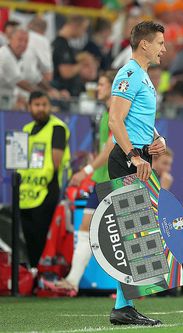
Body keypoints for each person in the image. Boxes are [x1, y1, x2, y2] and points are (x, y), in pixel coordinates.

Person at [107, 21, 167, 326]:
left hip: (142, 155)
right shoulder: (129, 73)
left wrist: (158, 138)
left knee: (139, 233)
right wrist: (133, 155)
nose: (163, 49)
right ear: (144, 44)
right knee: (133, 233)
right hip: (129, 158)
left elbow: (136, 118)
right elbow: (115, 120)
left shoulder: (143, 77)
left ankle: (124, 305)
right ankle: (122, 307)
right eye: (159, 43)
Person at [43, 70, 117, 296]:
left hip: (115, 180)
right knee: (86, 229)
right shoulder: (106, 111)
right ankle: (72, 281)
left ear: (113, 86)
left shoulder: (117, 110)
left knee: (121, 234)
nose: (98, 88)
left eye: (103, 84)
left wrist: (86, 170)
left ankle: (135, 286)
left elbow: (111, 147)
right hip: (101, 180)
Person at [19, 91, 71, 269]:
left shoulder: (57, 127)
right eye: (36, 105)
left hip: (48, 189)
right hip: (25, 193)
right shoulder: (26, 130)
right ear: (29, 107)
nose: (41, 108)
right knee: (29, 237)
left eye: (44, 104)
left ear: (50, 106)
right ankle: (33, 274)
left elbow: (56, 162)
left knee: (42, 237)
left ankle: (44, 276)